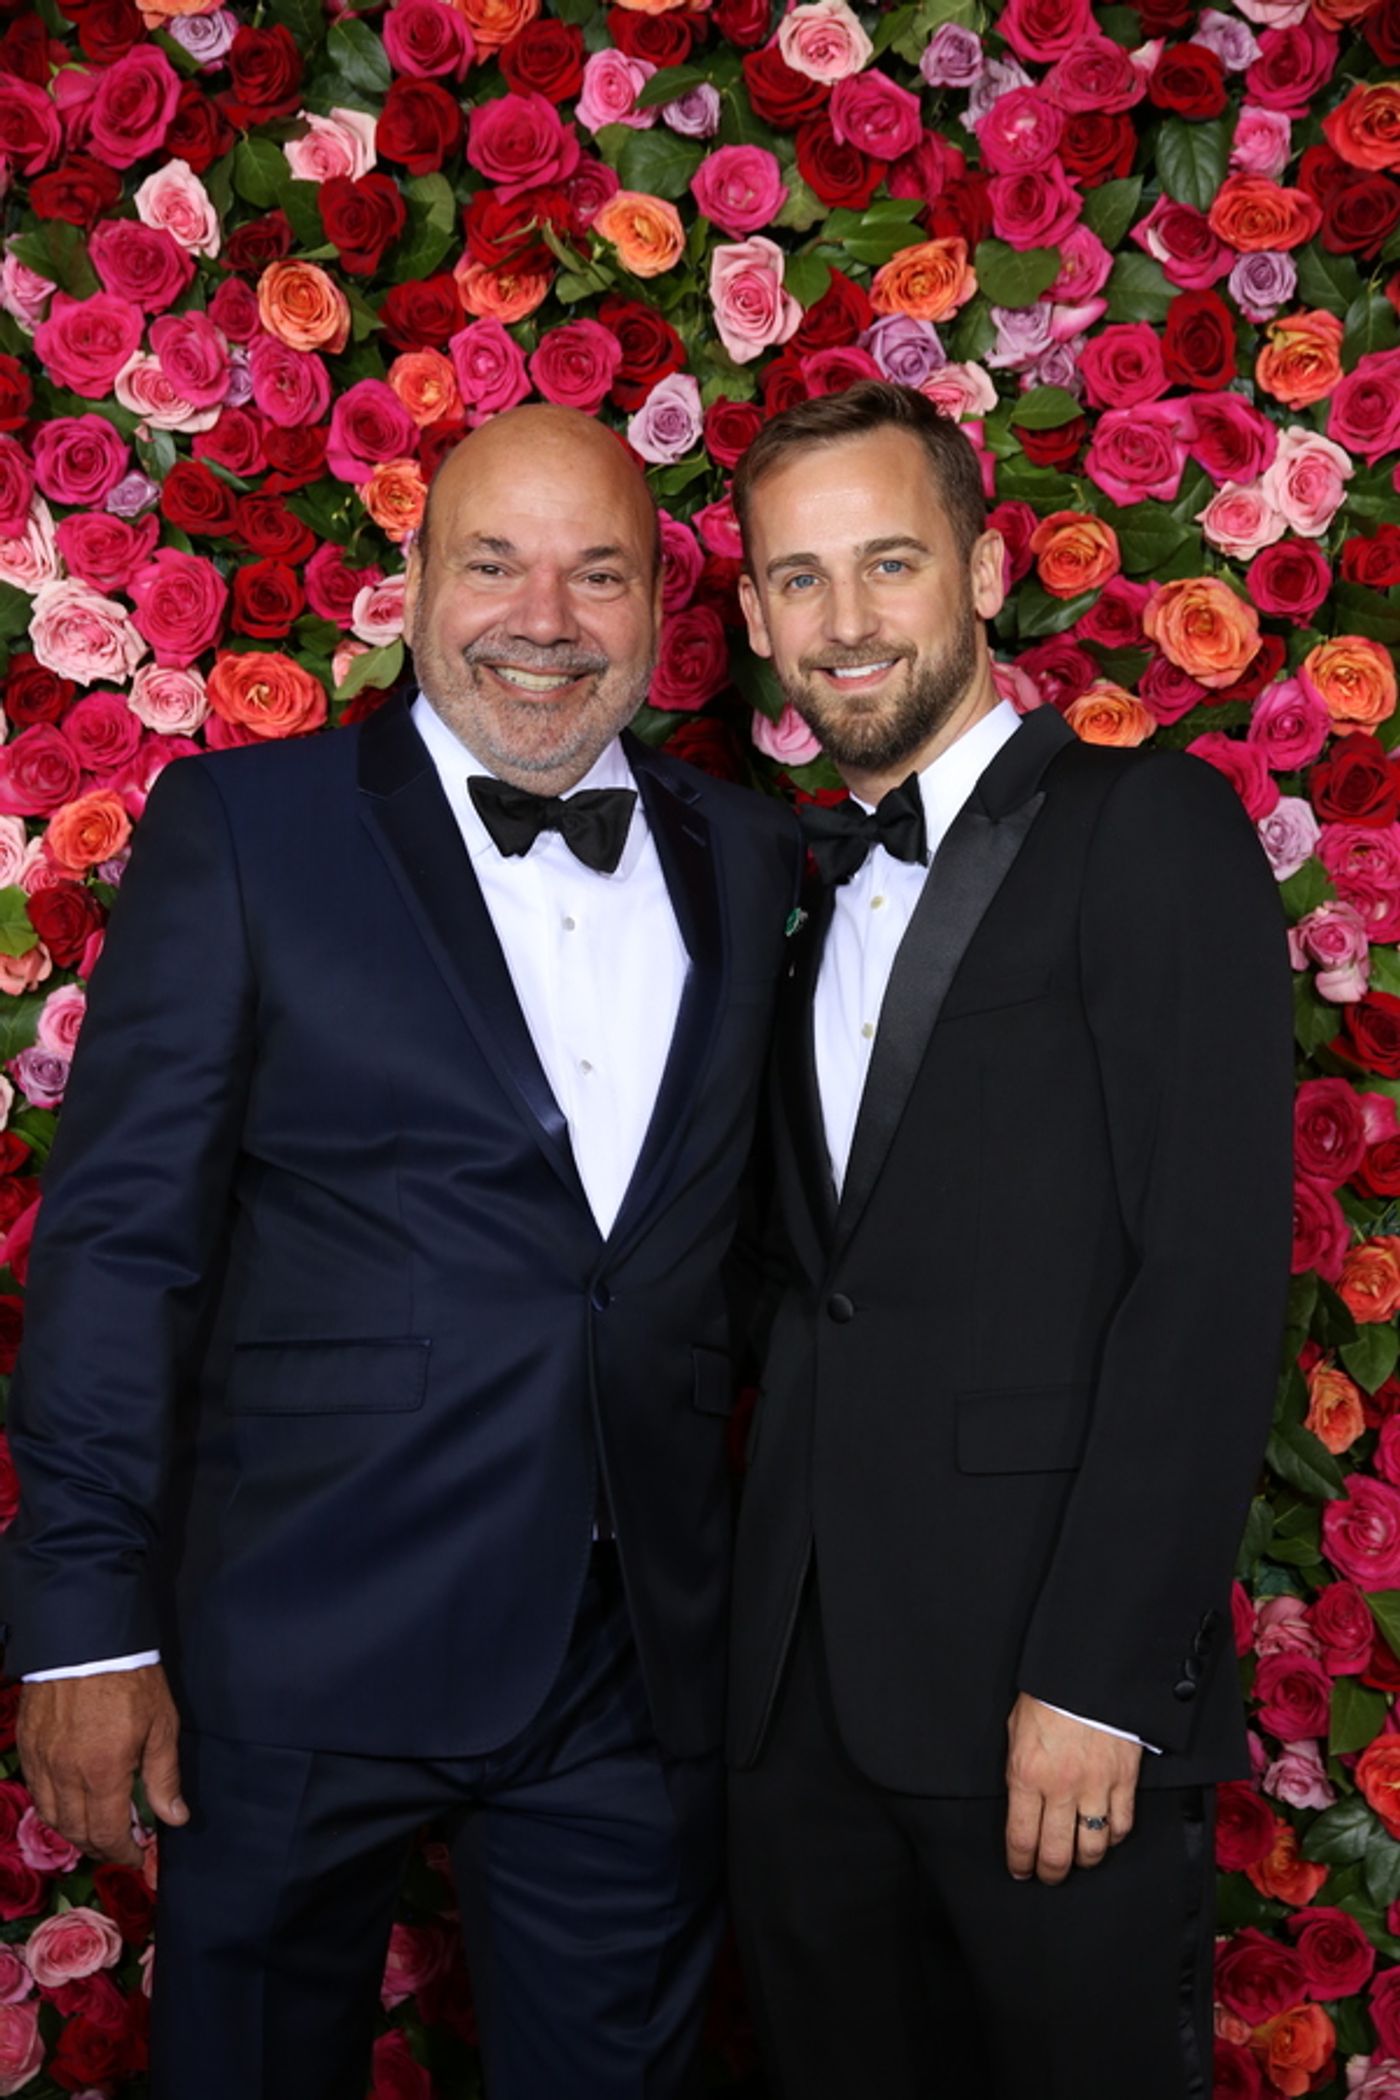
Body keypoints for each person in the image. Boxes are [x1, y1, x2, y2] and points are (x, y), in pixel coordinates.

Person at [3, 404, 800, 2100]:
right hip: (297, 1635)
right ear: (416, 581)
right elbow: (123, 1248)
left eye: (598, 574)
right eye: (494, 563)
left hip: (630, 1664)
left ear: (664, 608)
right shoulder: (247, 828)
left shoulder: (746, 853)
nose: (544, 619)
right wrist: (83, 1627)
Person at [725, 380, 1293, 2100]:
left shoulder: (1151, 830)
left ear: (982, 573)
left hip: (1046, 1703)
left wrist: (1103, 1680)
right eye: (801, 578)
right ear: (753, 618)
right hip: (797, 1715)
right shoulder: (787, 883)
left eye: (888, 563)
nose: (845, 619)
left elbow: (1207, 1280)